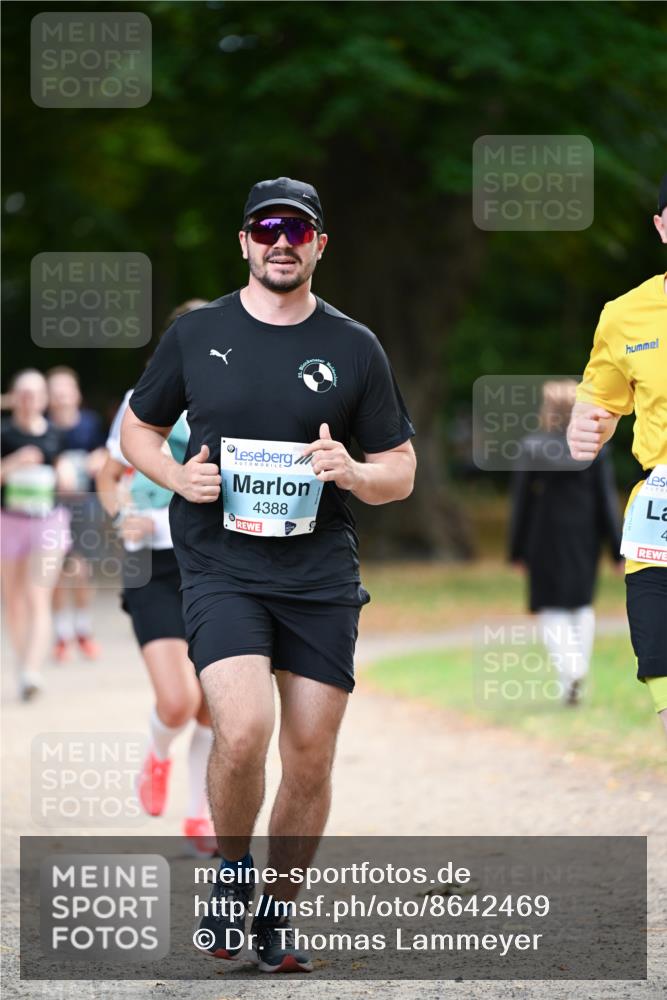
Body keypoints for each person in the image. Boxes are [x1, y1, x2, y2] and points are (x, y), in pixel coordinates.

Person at [121, 177, 416, 972]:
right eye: (266, 227)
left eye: (298, 229)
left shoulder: (355, 345)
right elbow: (138, 431)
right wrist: (179, 479)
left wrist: (351, 470)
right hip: (221, 566)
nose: (280, 241)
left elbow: (401, 470)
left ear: (320, 244)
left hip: (319, 574)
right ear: (244, 242)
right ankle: (228, 872)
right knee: (243, 730)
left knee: (311, 755)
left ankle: (277, 913)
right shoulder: (197, 335)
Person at [96, 299, 216, 852]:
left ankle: (199, 814)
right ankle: (156, 751)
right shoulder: (140, 401)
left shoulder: (234, 397)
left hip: (216, 562)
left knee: (216, 703)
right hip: (153, 563)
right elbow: (108, 474)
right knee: (178, 700)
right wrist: (122, 516)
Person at [568, 171, 667, 735]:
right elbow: (597, 404)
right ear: (660, 227)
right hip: (659, 528)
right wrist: (584, 433)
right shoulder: (624, 315)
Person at [509, 379, 623, 704]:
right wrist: (617, 549)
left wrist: (516, 549)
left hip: (543, 537)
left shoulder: (533, 448)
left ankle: (570, 671)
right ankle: (574, 674)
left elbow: (522, 505)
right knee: (582, 605)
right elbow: (606, 503)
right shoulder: (595, 450)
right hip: (584, 537)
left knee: (550, 606)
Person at [0, 370, 74, 700]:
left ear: (44, 399)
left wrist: (65, 473)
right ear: (15, 397)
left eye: (35, 393)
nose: (29, 400)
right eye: (23, 393)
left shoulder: (56, 434)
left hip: (48, 522)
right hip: (9, 522)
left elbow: (65, 472)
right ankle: (23, 662)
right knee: (13, 600)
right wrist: (14, 463)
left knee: (37, 596)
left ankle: (32, 671)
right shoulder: (4, 433)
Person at [47, 366, 107, 662]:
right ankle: (61, 635)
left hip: (86, 505)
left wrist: (98, 459)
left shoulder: (90, 423)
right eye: (54, 392)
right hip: (51, 508)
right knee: (57, 570)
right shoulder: (43, 426)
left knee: (82, 569)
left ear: (75, 393)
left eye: (65, 391)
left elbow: (108, 450)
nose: (60, 397)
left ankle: (83, 629)